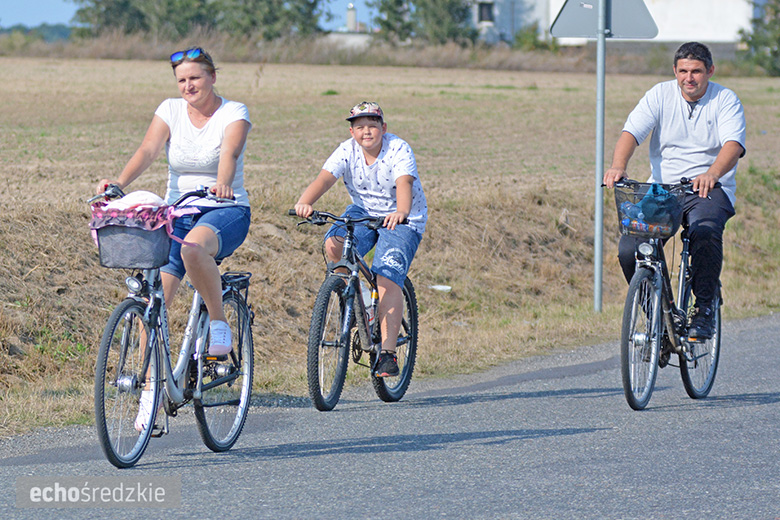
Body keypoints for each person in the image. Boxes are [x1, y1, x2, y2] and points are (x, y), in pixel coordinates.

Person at [96, 47, 252, 430]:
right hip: (176, 212)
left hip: (223, 209)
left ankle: (219, 324)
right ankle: (152, 393)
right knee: (154, 305)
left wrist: (224, 182)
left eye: (195, 78)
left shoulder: (235, 113)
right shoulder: (169, 110)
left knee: (195, 249)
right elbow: (148, 150)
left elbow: (229, 151)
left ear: (212, 77)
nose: (188, 86)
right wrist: (118, 184)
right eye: (181, 80)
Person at [603, 42, 746, 340]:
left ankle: (704, 307)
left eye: (696, 71)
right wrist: (618, 165)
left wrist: (712, 173)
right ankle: (656, 312)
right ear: (674, 71)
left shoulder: (725, 99)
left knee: (704, 233)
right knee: (630, 249)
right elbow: (631, 132)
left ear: (710, 71)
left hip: (709, 188)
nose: (689, 78)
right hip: (663, 189)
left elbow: (733, 145)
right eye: (683, 71)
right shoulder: (660, 94)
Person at [294, 101, 428, 377]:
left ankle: (388, 354)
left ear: (383, 128)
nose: (366, 132)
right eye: (359, 127)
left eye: (372, 126)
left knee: (387, 277)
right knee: (334, 245)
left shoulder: (398, 149)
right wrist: (304, 203)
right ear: (353, 132)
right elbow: (324, 179)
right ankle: (361, 303)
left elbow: (405, 183)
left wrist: (401, 211)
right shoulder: (347, 150)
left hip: (403, 218)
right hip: (364, 212)